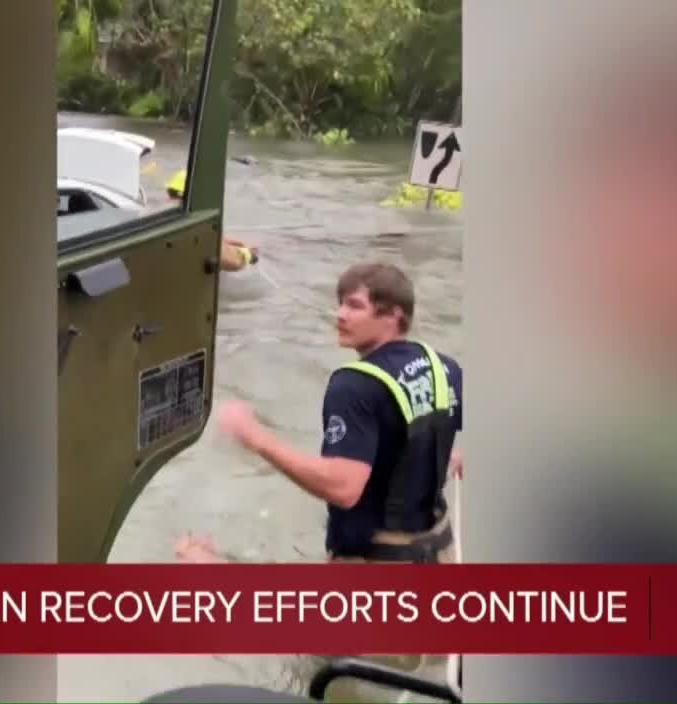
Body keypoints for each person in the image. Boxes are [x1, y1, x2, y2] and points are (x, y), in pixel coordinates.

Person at [178, 262, 464, 564]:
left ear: (394, 315)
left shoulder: (354, 385)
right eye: (340, 304)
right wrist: (449, 453)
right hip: (439, 551)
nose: (340, 315)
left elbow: (343, 488)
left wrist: (256, 437)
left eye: (355, 306)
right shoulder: (443, 365)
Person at [165, 168, 258, 273]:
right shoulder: (198, 227)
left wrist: (226, 243)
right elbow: (233, 262)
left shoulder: (165, 219)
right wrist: (248, 254)